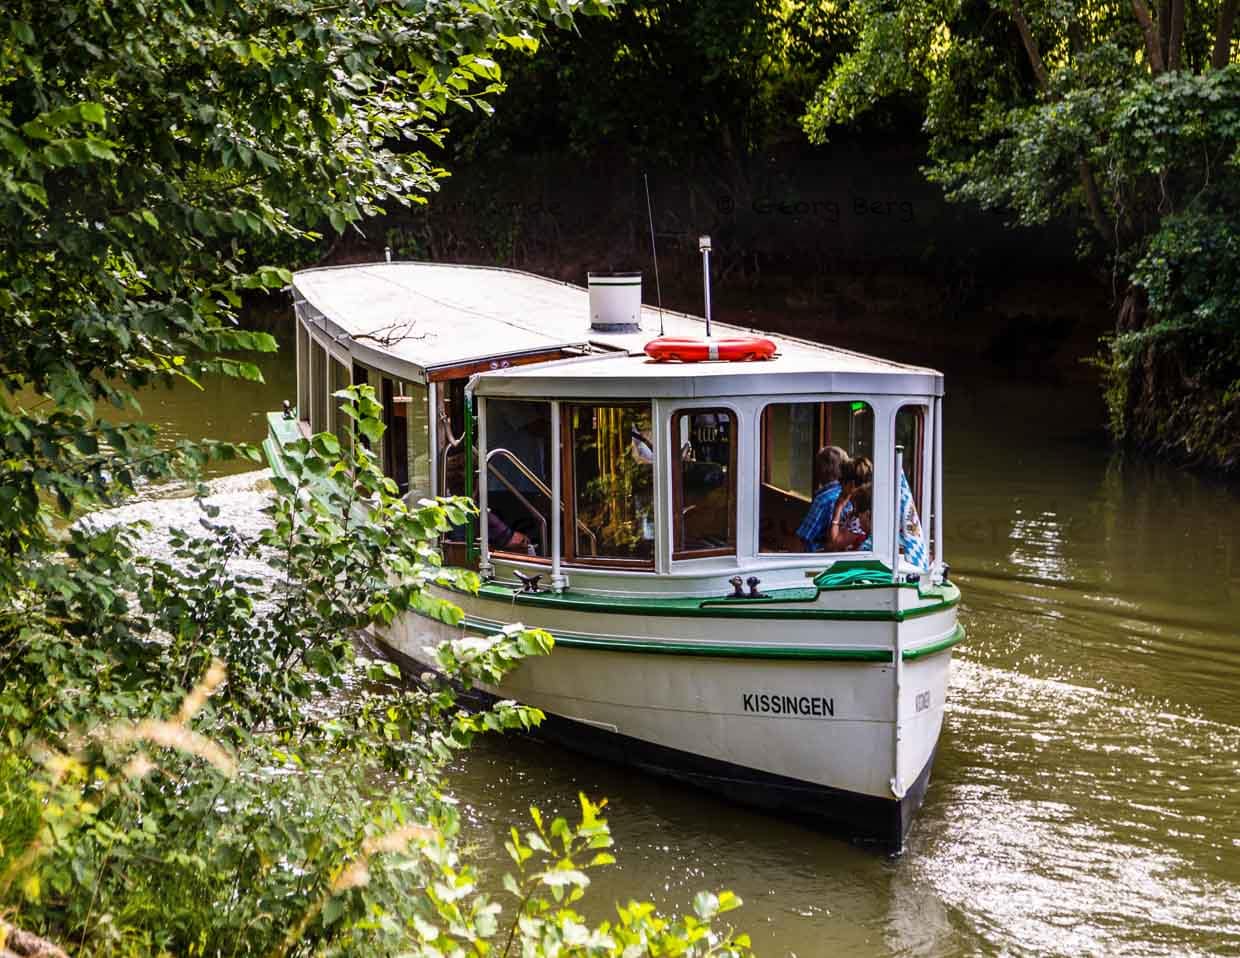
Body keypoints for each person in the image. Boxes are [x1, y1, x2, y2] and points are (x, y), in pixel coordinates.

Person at [796, 446, 849, 552]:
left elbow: (804, 537)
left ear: (823, 469)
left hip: (819, 557)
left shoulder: (823, 500)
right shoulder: (848, 494)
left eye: (817, 466)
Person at [829, 483, 872, 552]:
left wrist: (838, 508)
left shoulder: (866, 547)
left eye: (857, 510)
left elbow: (835, 542)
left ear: (867, 514)